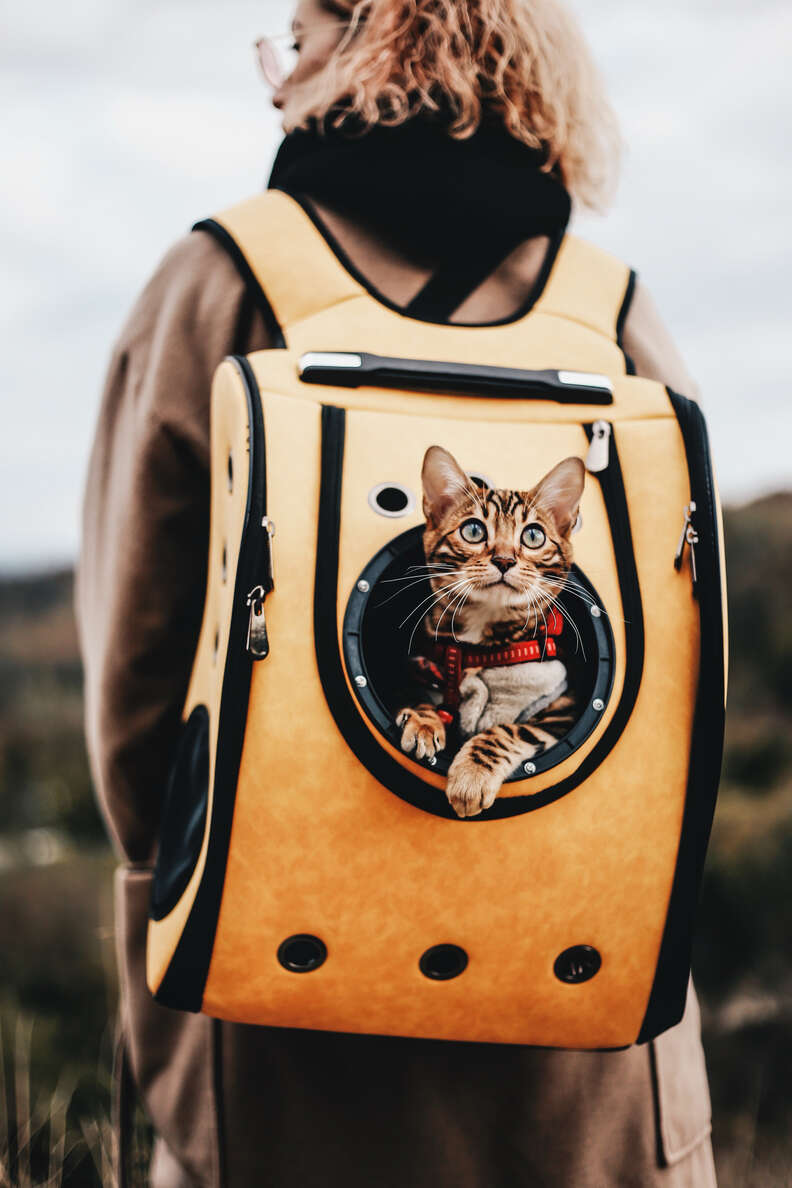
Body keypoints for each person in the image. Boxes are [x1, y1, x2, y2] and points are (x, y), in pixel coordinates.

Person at [75, 1, 718, 1185]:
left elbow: (137, 678)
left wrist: (176, 896)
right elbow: (682, 663)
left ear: (378, 40)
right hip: (585, 1007)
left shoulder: (226, 275)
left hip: (286, 1006)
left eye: (302, 33)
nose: (279, 75)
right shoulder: (603, 301)